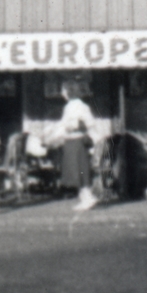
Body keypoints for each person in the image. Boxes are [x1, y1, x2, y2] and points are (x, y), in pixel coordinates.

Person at [57, 82, 98, 210]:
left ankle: (88, 198)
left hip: (75, 140)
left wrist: (74, 126)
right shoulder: (76, 105)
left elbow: (87, 123)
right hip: (73, 141)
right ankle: (85, 198)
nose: (62, 93)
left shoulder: (75, 106)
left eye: (63, 90)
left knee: (79, 170)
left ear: (69, 92)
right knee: (78, 170)